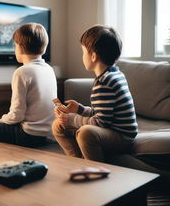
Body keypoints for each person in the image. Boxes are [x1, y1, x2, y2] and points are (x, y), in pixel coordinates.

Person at [52, 25, 138, 162]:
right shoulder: (114, 74)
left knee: (86, 133)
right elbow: (104, 113)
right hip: (113, 129)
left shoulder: (105, 82)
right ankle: (76, 161)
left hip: (122, 137)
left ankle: (96, 168)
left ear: (93, 56)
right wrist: (80, 109)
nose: (82, 56)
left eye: (83, 52)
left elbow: (100, 122)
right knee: (58, 125)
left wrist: (72, 119)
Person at [0, 23, 57, 147]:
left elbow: (17, 115)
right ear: (44, 48)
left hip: (28, 135)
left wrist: (2, 121)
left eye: (15, 45)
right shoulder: (49, 69)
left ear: (20, 47)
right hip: (49, 134)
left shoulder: (22, 72)